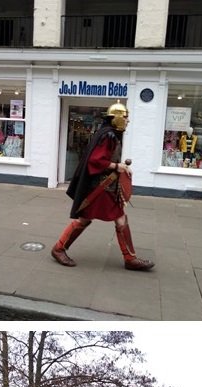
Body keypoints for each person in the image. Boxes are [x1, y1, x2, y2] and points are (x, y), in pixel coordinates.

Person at [51, 102, 154, 271]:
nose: (128, 121)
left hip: (105, 186)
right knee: (91, 218)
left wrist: (120, 166)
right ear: (117, 119)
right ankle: (58, 249)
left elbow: (103, 158)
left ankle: (129, 258)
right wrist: (116, 166)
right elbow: (95, 161)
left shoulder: (109, 134)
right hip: (101, 188)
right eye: (126, 117)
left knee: (114, 218)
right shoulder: (108, 136)